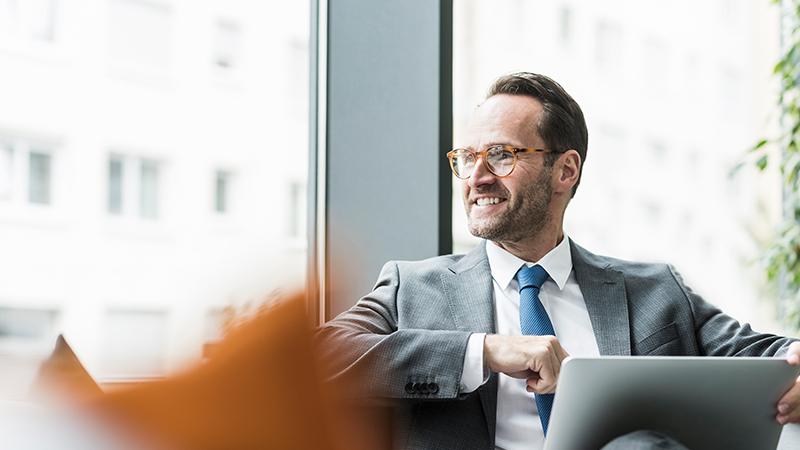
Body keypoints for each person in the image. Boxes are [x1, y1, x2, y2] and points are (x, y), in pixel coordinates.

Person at [316, 72, 800, 450]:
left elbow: (767, 354)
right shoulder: (412, 287)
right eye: (466, 158)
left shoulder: (656, 290)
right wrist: (483, 351)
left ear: (565, 170)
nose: (476, 177)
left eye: (501, 155)